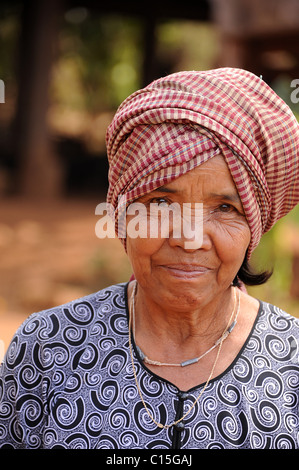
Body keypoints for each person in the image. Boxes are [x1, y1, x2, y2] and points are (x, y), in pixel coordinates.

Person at [0, 68, 299, 449]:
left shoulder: (292, 366)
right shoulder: (47, 348)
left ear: (253, 225)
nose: (190, 240)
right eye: (160, 204)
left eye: (224, 208)